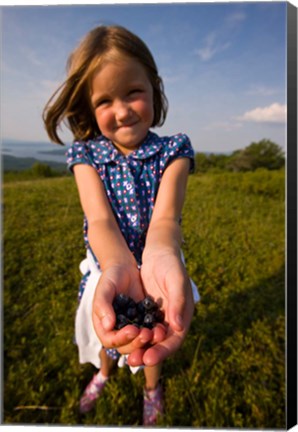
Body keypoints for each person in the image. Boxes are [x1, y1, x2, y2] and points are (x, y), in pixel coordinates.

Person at [43, 24, 199, 426]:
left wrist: (160, 254)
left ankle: (151, 388)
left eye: (133, 92)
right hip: (108, 266)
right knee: (108, 334)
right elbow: (98, 220)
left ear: (155, 88)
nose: (123, 109)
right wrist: (117, 264)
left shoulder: (173, 151)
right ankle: (104, 373)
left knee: (152, 334)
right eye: (105, 100)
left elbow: (166, 218)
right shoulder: (86, 156)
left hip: (156, 266)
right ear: (88, 108)